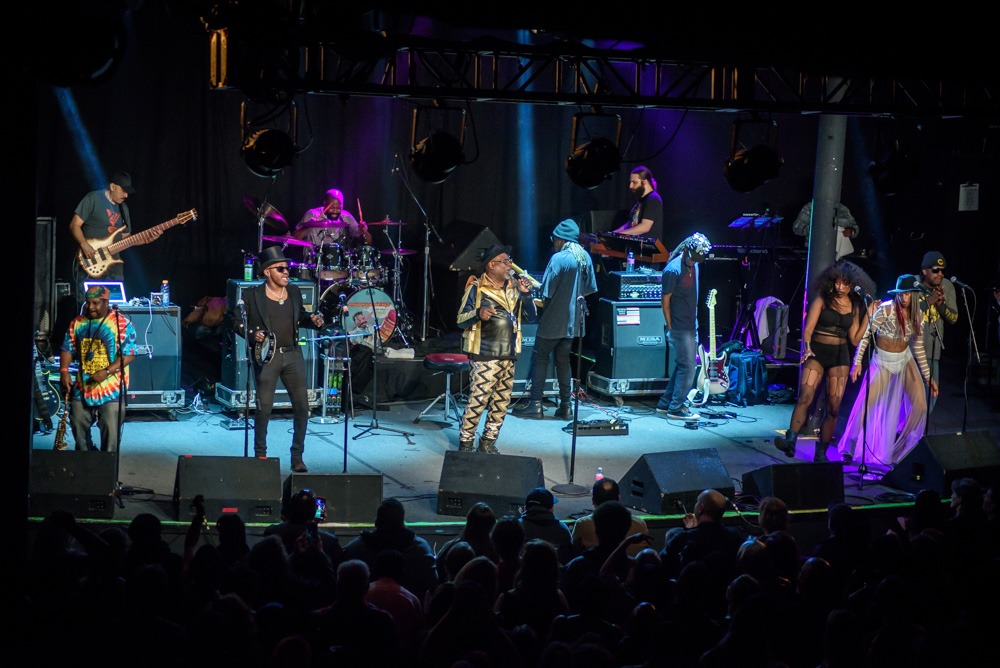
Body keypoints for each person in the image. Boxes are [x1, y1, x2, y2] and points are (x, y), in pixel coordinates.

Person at [232, 246, 324, 471]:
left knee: (302, 406)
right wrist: (253, 334)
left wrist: (313, 321)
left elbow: (301, 317)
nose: (286, 272)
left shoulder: (293, 291)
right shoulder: (252, 295)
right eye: (280, 268)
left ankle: (297, 457)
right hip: (268, 357)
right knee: (264, 408)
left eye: (287, 268)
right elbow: (235, 322)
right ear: (267, 272)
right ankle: (261, 457)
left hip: (293, 355)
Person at [774, 260, 874, 462]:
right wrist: (807, 348)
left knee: (834, 408)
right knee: (805, 397)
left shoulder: (854, 306)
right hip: (817, 352)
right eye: (837, 282)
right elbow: (808, 329)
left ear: (852, 284)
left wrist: (868, 316)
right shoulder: (822, 299)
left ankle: (821, 453)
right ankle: (790, 441)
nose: (840, 287)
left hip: (839, 357)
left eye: (844, 284)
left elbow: (855, 339)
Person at [837, 274, 938, 466]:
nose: (904, 298)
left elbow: (918, 348)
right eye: (901, 294)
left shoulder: (918, 315)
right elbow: (866, 335)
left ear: (914, 295)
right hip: (883, 361)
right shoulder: (886, 309)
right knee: (867, 404)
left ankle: (901, 446)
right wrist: (857, 362)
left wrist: (927, 376)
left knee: (921, 405)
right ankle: (850, 445)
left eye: (907, 294)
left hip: (904, 359)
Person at [456, 244, 536, 453]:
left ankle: (488, 442)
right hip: (485, 353)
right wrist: (478, 313)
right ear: (491, 265)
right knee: (479, 400)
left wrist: (526, 295)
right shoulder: (477, 288)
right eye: (505, 261)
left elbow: (530, 317)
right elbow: (460, 320)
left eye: (510, 261)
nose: (510, 265)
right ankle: (466, 443)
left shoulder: (514, 287)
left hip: (509, 352)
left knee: (501, 403)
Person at [515, 219, 597, 419]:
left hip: (553, 321)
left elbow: (547, 292)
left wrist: (534, 287)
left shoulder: (558, 258)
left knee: (540, 358)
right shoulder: (584, 257)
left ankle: (535, 405)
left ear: (560, 239)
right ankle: (566, 406)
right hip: (572, 323)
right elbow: (588, 290)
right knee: (563, 362)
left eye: (554, 239)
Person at [59, 285, 137, 452]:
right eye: (88, 303)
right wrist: (64, 371)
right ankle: (87, 461)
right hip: (83, 387)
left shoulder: (122, 323)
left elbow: (129, 354)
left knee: (110, 440)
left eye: (95, 303)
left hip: (112, 390)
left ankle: (106, 466)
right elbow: (67, 348)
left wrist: (107, 371)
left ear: (106, 303)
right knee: (77, 427)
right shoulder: (77, 323)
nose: (90, 307)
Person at [69, 170, 162, 299]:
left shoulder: (124, 209)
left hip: (113, 265)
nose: (126, 195)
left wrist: (148, 240)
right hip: (91, 260)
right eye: (123, 191)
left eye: (127, 192)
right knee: (90, 303)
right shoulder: (93, 198)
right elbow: (74, 225)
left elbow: (126, 239)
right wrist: (84, 244)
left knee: (114, 302)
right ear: (112, 186)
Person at [655, 232, 712, 421]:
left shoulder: (694, 264)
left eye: (697, 260)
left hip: (690, 323)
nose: (694, 262)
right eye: (692, 257)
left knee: (683, 366)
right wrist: (670, 326)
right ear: (686, 249)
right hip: (679, 327)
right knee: (688, 368)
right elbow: (665, 301)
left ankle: (665, 403)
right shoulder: (673, 270)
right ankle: (676, 408)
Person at [570, 477, 650, 558]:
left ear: (593, 500)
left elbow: (573, 552)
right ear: (618, 499)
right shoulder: (640, 524)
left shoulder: (583, 524)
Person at [918, 251, 957, 412]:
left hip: (933, 352)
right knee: (910, 397)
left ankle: (920, 427)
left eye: (942, 271)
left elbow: (953, 318)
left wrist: (940, 305)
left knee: (931, 396)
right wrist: (928, 301)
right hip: (912, 351)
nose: (940, 274)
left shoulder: (947, 286)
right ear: (925, 271)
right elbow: (904, 313)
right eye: (935, 270)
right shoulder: (913, 283)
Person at [293, 188, 371, 247]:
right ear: (325, 203)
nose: (335, 211)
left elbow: (368, 243)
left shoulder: (346, 217)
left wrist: (364, 232)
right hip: (312, 261)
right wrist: (306, 226)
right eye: (332, 208)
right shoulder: (312, 214)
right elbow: (293, 241)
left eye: (339, 208)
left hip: (337, 262)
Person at [518, 487, 574, 565]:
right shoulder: (563, 529)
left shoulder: (516, 527)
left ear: (525, 508)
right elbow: (568, 558)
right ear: (551, 509)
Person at [613, 166, 663, 242]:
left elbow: (644, 227)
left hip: (647, 248)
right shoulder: (641, 200)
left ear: (645, 182)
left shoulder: (653, 199)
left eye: (634, 182)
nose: (630, 186)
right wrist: (613, 233)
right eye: (630, 182)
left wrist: (618, 235)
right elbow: (630, 224)